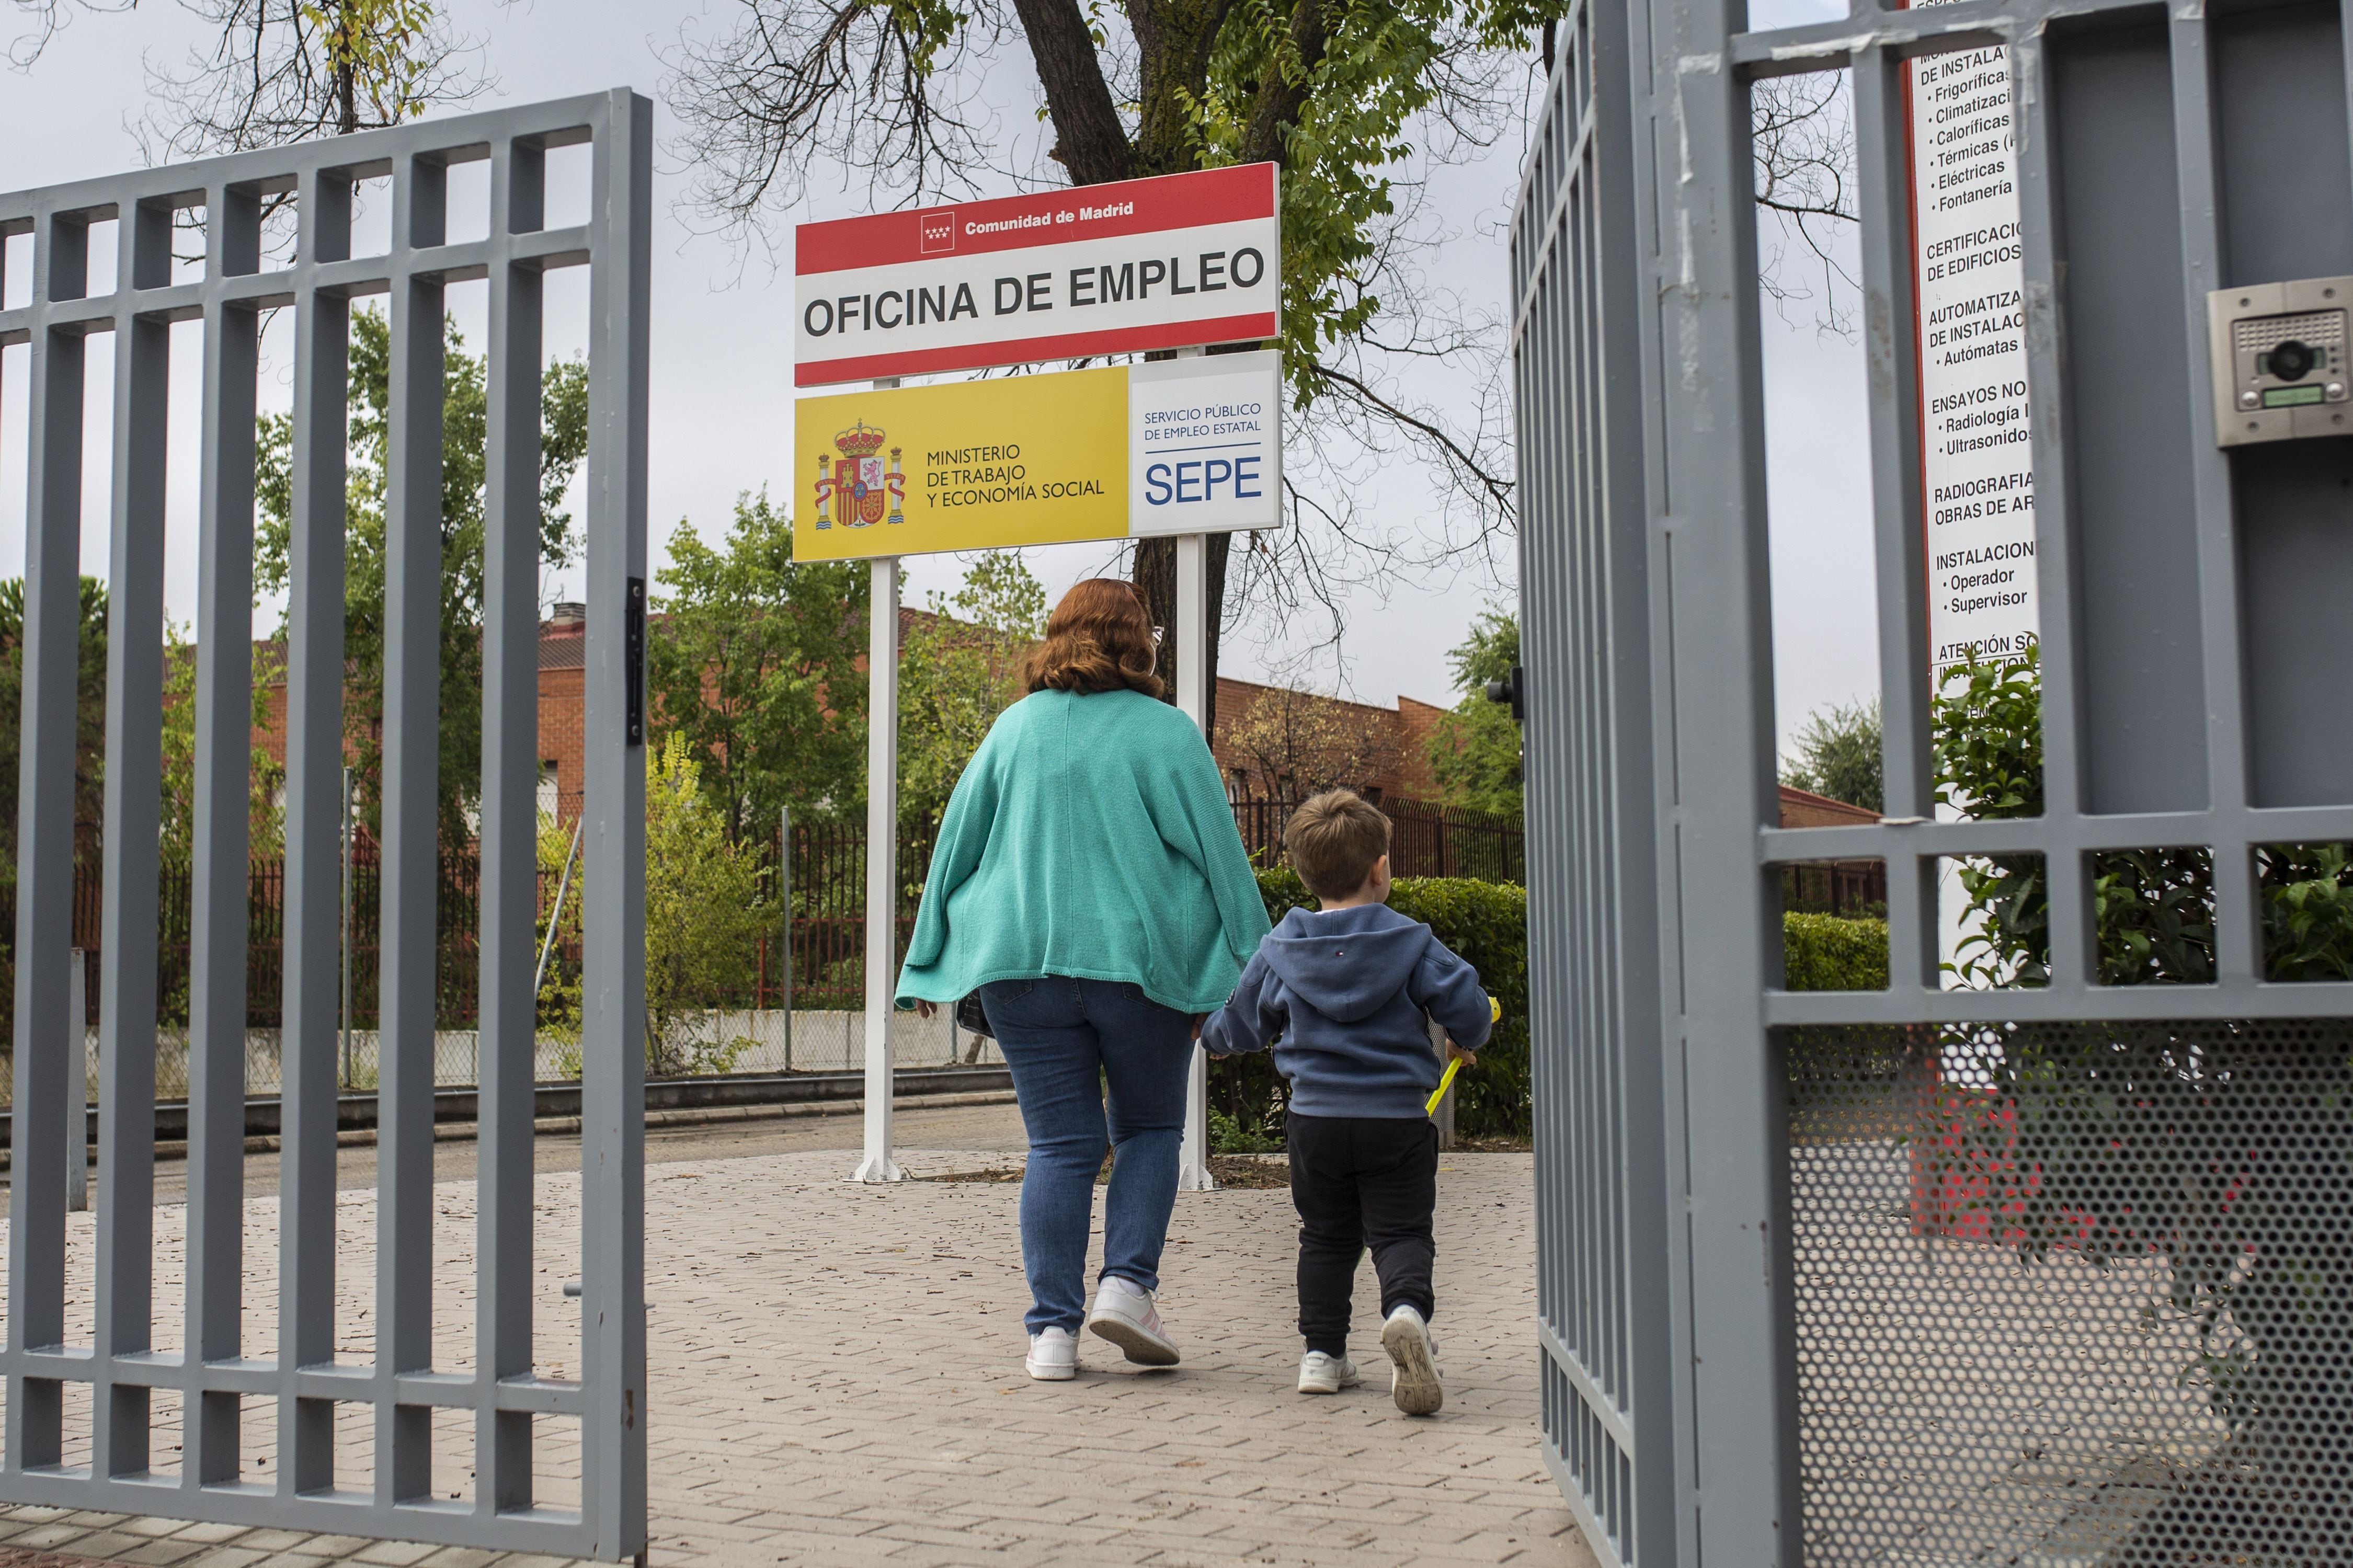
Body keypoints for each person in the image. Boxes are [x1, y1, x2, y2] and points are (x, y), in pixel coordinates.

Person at [896, 579, 1271, 1382]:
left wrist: (923, 957)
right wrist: (1263, 963)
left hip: (1020, 966)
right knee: (1147, 1130)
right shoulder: (1166, 734)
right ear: (1140, 642)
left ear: (1059, 635)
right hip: (1140, 969)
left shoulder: (1013, 729)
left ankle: (1052, 1335)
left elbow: (953, 845)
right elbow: (1221, 859)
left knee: (1060, 1145)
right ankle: (1129, 1286)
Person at [1199, 788, 1491, 1415]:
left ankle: (1322, 1355)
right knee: (1401, 1231)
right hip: (1395, 1120)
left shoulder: (1283, 946)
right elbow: (1467, 1004)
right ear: (1380, 868)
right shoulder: (1411, 942)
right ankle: (1407, 1312)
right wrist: (1467, 1036)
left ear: (1305, 874)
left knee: (1325, 1238)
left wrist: (1215, 1038)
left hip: (1316, 1123)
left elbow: (1243, 1021)